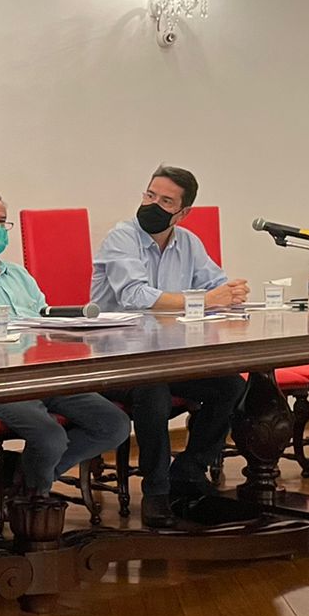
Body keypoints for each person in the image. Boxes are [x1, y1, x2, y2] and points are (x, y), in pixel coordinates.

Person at [0, 191, 129, 500]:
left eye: (2, 222)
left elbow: (43, 319)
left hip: (40, 374)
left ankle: (23, 478)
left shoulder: (18, 275)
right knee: (50, 437)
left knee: (114, 424)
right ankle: (34, 500)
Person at [90, 166, 248, 528]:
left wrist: (233, 293)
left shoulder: (188, 242)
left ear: (183, 212)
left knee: (231, 386)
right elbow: (134, 296)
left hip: (169, 358)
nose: (152, 205)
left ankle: (189, 471)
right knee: (154, 391)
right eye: (150, 195)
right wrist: (207, 300)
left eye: (165, 201)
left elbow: (217, 285)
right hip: (116, 359)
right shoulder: (122, 238)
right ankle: (157, 492)